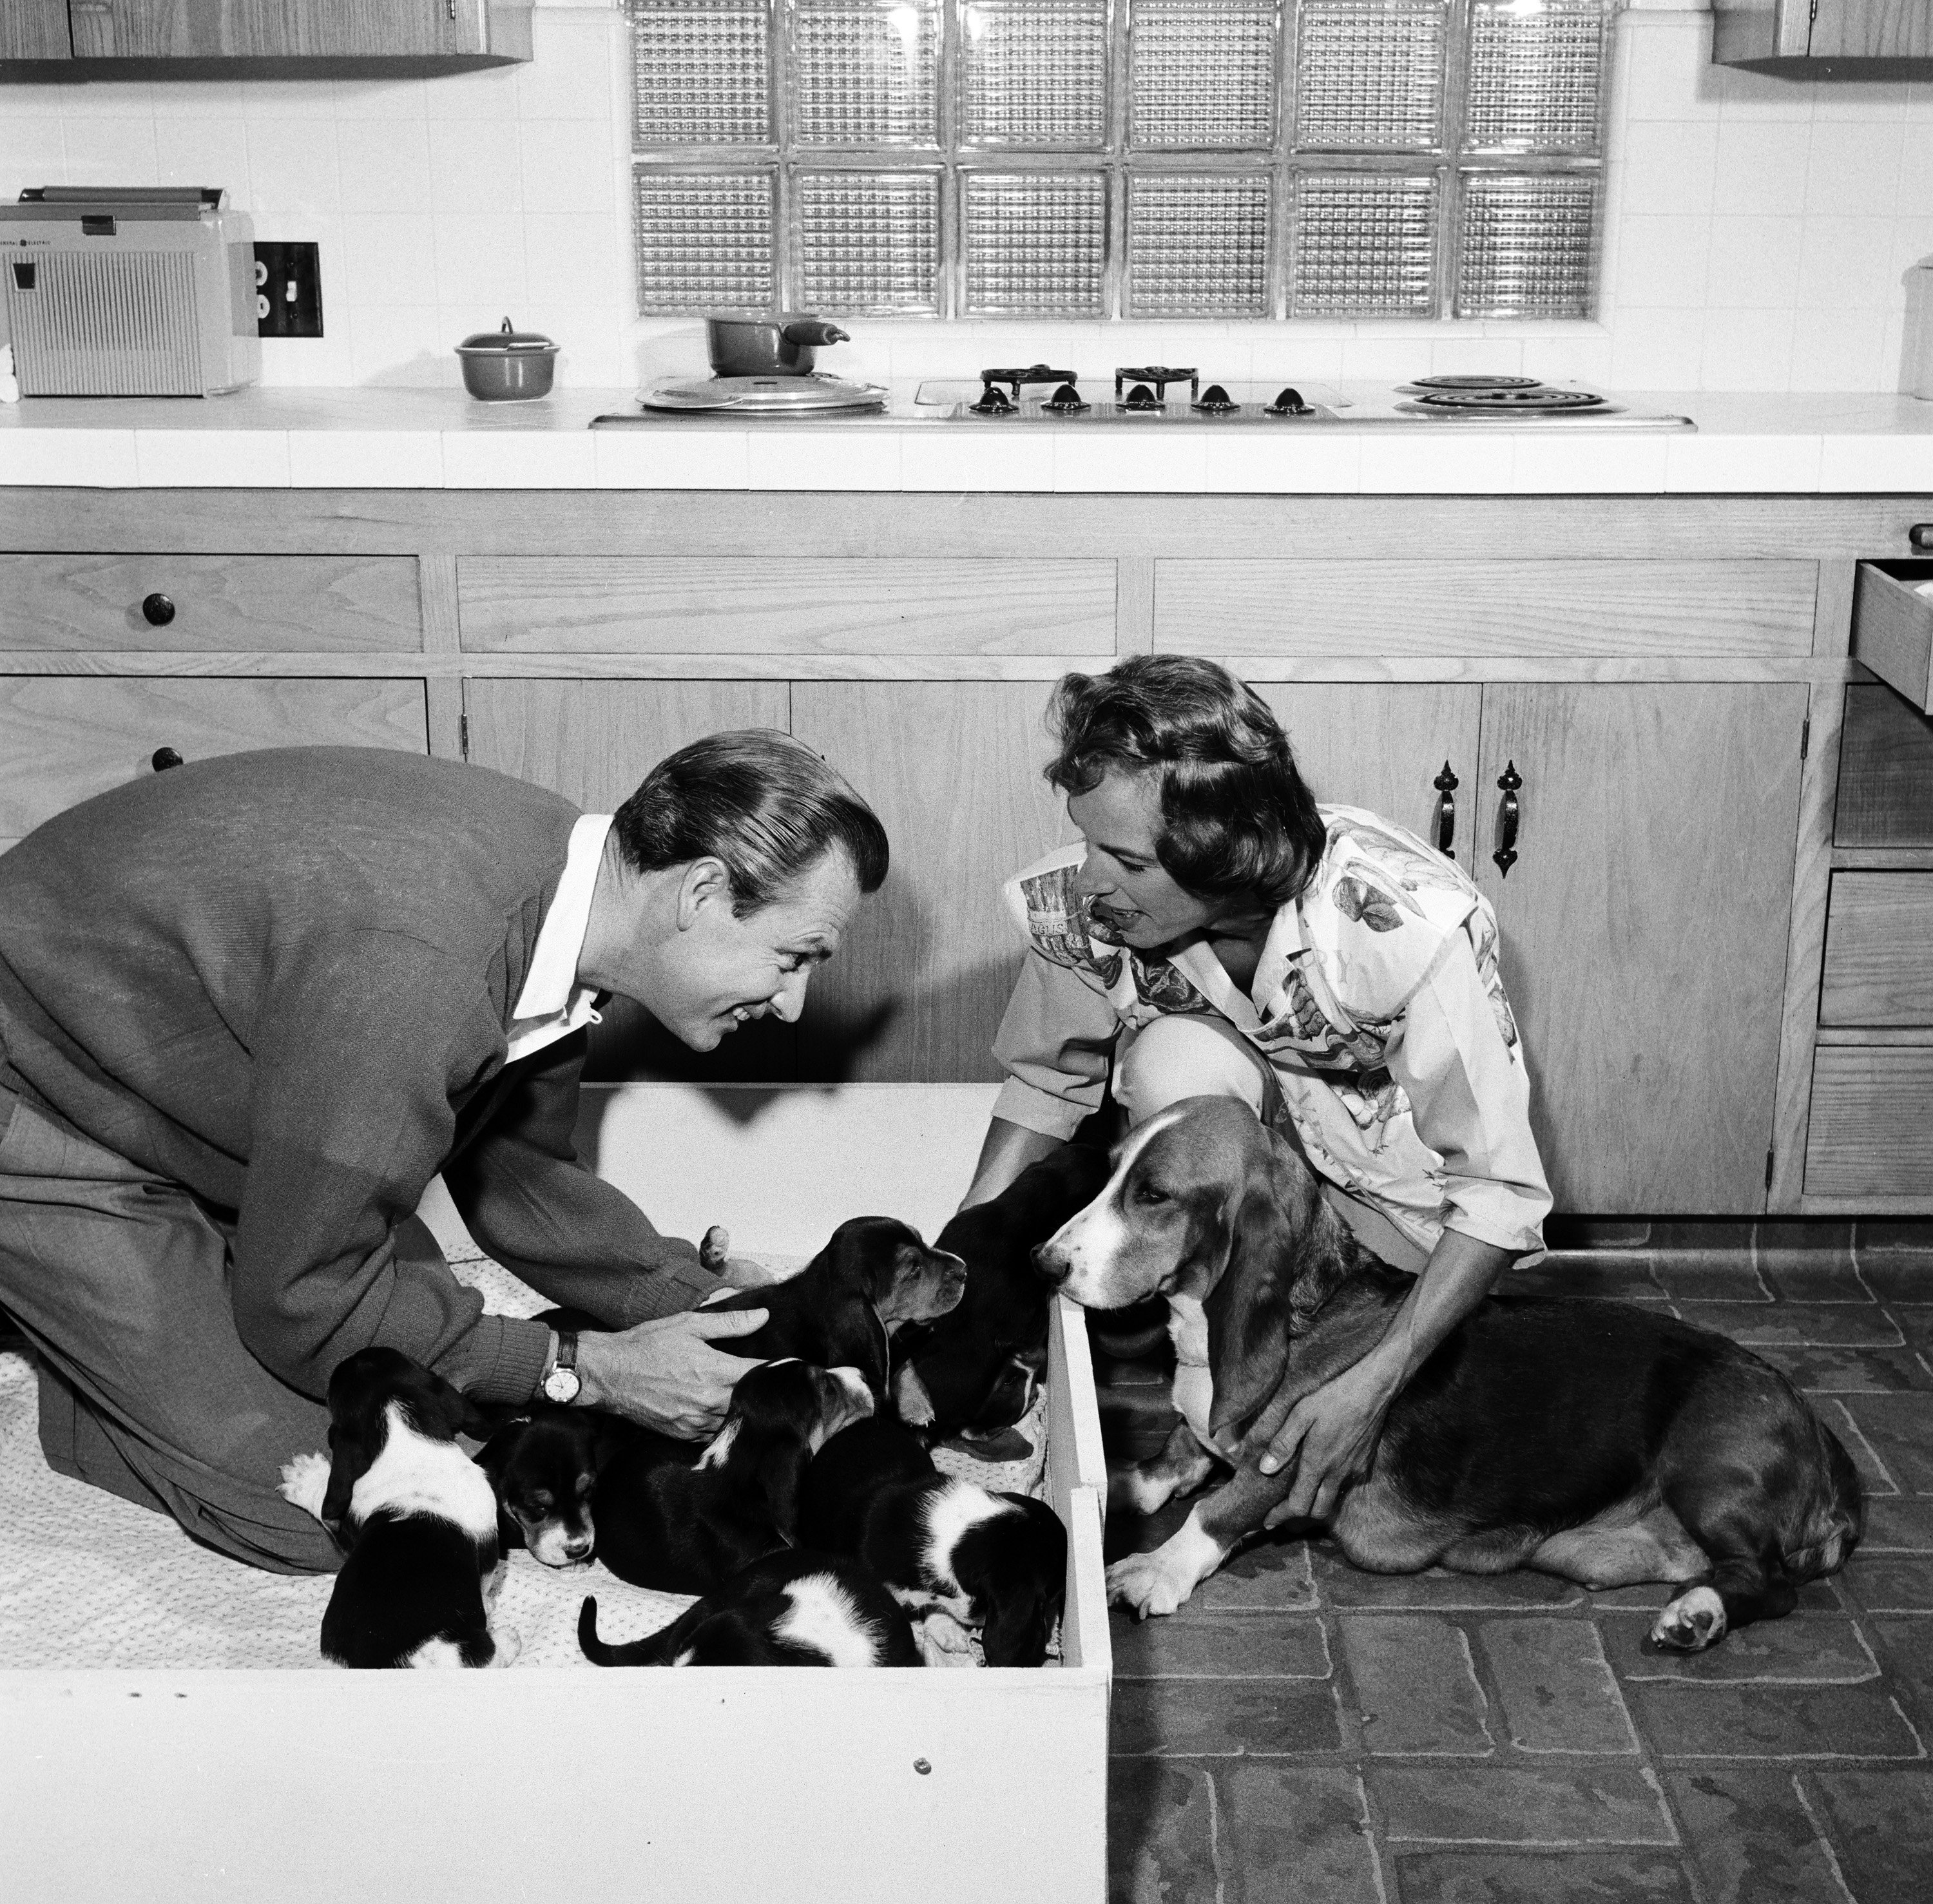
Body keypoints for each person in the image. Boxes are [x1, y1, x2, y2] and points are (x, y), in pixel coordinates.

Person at [0, 731, 887, 1573]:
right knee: (358, 1504)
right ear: (700, 892)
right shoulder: (421, 972)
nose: (794, 1004)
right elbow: (305, 1305)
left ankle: (162, 1289)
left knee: (421, 1369)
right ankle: (75, 1331)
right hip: (42, 1103)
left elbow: (519, 1172)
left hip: (175, 1088)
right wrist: (583, 1372)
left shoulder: (573, 896)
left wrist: (736, 1313)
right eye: (795, 955)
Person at [963, 656, 1551, 1524]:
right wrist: (968, 1257)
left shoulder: (1408, 928)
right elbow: (1049, 1081)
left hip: (1391, 1222)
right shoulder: (1088, 903)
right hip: (1249, 1155)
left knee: (1396, 1383)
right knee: (1167, 1066)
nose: (1088, 879)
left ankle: (1310, 1351)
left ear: (1224, 857)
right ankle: (1207, 1380)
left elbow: (1501, 1190)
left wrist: (1371, 1385)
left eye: (1121, 857)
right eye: (1087, 842)